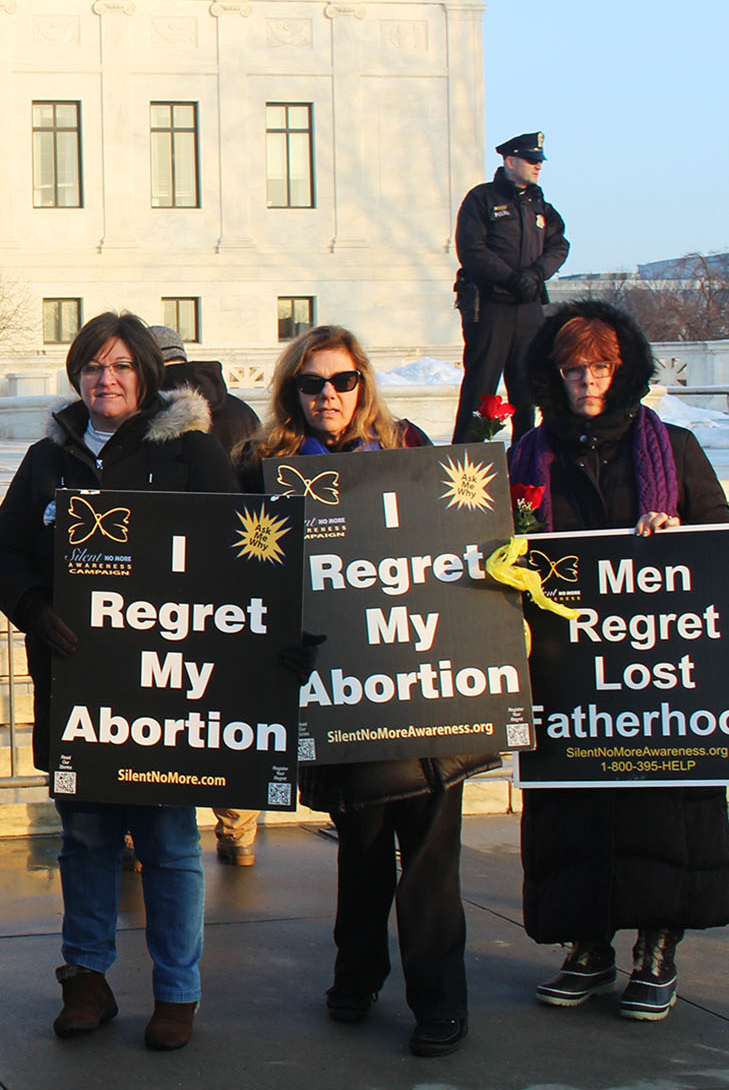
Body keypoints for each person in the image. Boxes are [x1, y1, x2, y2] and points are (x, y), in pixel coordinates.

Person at [0, 312, 235, 1053]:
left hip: (166, 685)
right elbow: (6, 557)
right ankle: (86, 979)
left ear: (147, 376)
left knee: (168, 842)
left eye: (122, 365)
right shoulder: (45, 461)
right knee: (85, 839)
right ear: (77, 374)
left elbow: (240, 552)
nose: (107, 378)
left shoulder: (190, 453)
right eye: (95, 365)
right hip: (76, 684)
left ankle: (176, 991)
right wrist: (34, 610)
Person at [235, 326, 479, 1059]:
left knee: (431, 857)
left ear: (362, 385)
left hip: (422, 687)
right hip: (335, 692)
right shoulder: (265, 469)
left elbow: (460, 546)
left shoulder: (407, 450)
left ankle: (438, 1002)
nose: (327, 397)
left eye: (340, 382)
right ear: (291, 394)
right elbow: (242, 576)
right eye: (311, 385)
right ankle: (357, 973)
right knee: (362, 849)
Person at [511, 301, 729, 1023]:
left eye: (599, 367)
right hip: (569, 676)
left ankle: (656, 951)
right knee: (574, 814)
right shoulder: (529, 457)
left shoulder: (675, 449)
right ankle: (586, 947)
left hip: (659, 678)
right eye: (573, 370)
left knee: (658, 815)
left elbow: (715, 550)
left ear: (623, 366)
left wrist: (675, 537)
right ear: (555, 374)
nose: (587, 382)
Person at [148, 324, 265, 865]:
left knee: (164, 707)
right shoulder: (240, 410)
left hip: (165, 581)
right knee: (226, 709)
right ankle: (238, 830)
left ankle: (143, 832)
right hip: (233, 576)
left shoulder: (148, 409)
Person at [451, 131, 568, 443]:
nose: (537, 166)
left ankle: (526, 455)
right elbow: (472, 250)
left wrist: (536, 273)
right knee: (481, 388)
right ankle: (466, 456)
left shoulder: (540, 206)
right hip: (491, 305)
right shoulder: (482, 199)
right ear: (510, 160)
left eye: (539, 161)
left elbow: (559, 245)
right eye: (531, 160)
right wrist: (510, 278)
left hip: (528, 305)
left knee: (527, 388)